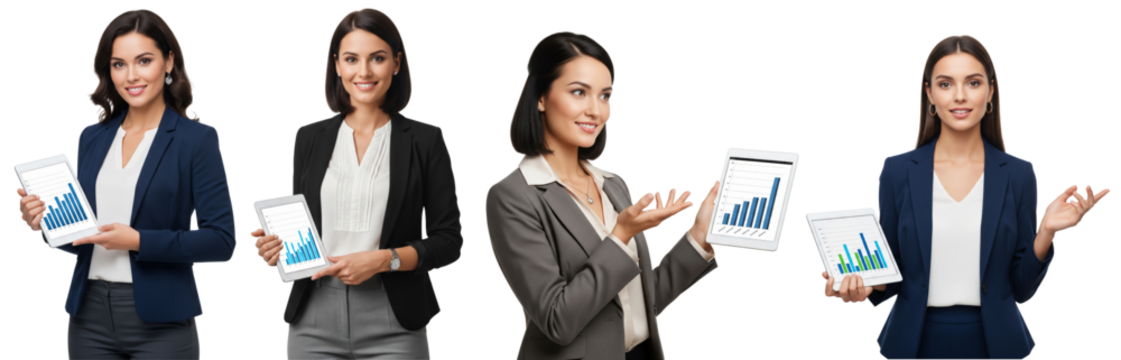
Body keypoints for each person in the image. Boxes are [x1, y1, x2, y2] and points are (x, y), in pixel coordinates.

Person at [819, 34, 1111, 360]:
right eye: (946, 84)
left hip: (997, 344)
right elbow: (891, 270)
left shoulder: (1019, 174)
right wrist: (863, 287)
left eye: (973, 82)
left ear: (990, 92)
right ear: (930, 94)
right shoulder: (896, 171)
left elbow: (1021, 290)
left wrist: (1046, 231)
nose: (960, 95)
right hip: (912, 342)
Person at [483, 31, 722, 360]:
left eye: (605, 96)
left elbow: (637, 303)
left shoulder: (613, 184)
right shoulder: (512, 196)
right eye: (579, 92)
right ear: (540, 97)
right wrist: (621, 235)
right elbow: (558, 320)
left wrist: (698, 236)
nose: (596, 110)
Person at [14, 8, 235, 359]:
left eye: (144, 61)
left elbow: (221, 240)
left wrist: (137, 241)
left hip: (162, 321)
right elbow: (84, 237)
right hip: (88, 317)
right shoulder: (92, 138)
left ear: (168, 61)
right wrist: (45, 224)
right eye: (119, 64)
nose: (131, 75)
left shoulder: (197, 140)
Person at [248, 7, 464, 359]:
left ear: (396, 63)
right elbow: (306, 226)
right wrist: (278, 248)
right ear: (337, 65)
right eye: (351, 59)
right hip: (313, 315)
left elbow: (449, 241)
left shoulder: (425, 140)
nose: (364, 72)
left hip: (394, 317)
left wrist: (384, 260)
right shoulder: (308, 138)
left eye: (377, 58)